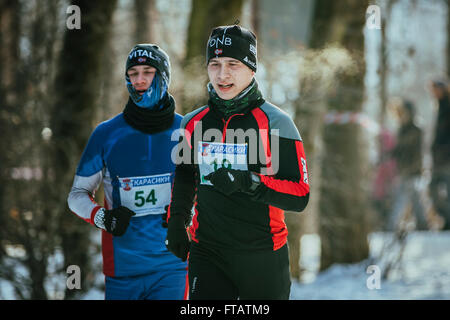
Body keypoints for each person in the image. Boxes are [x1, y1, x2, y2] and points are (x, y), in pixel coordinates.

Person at [165, 25, 310, 300]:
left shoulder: (277, 123)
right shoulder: (192, 123)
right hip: (208, 254)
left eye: (233, 64)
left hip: (263, 255)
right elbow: (185, 178)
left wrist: (249, 181)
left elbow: (300, 195)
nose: (223, 74)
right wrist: (177, 221)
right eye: (215, 64)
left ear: (252, 69)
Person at [67, 44, 188, 300]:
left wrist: (186, 213)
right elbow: (77, 194)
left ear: (164, 76)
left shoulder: (187, 130)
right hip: (123, 270)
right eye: (133, 73)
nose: (140, 80)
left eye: (148, 72)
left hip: (173, 266)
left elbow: (206, 190)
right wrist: (103, 218)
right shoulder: (106, 134)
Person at [387, 99, 427, 231]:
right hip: (404, 170)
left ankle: (391, 227)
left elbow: (407, 147)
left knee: (401, 199)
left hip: (412, 171)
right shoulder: (402, 129)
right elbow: (398, 150)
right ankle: (422, 225)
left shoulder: (416, 129)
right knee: (415, 201)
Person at [429, 79, 450, 230]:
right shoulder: (439, 107)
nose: (434, 92)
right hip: (438, 157)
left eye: (436, 89)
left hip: (447, 157)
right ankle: (447, 219)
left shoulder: (447, 107)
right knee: (433, 189)